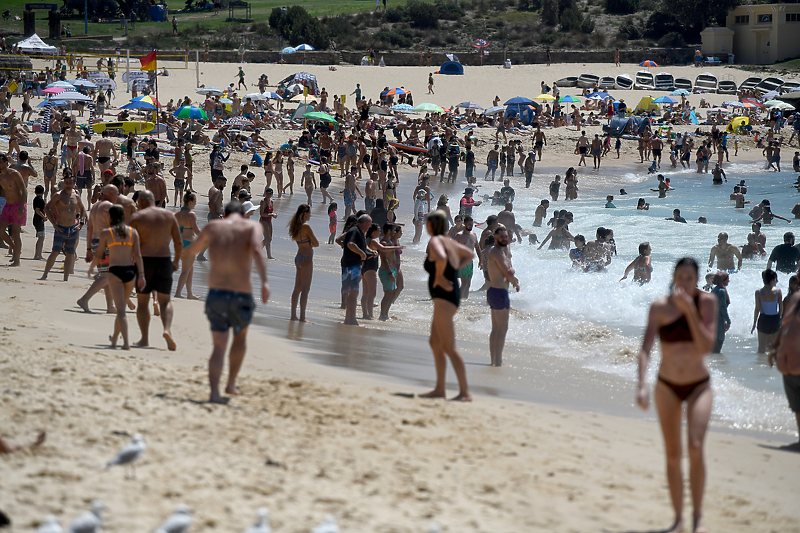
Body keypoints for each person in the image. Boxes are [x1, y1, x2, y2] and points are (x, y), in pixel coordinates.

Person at [636, 258, 716, 533]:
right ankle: (679, 519)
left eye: (689, 278)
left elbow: (706, 346)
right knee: (673, 454)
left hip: (698, 386)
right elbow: (645, 348)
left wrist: (690, 312)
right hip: (666, 385)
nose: (684, 282)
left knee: (694, 446)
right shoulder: (659, 306)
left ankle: (698, 517)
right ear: (673, 277)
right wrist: (641, 384)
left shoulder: (707, 303)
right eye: (680, 277)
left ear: (697, 280)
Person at [184, 201, 270, 404]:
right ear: (243, 215)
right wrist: (265, 282)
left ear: (224, 213)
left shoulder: (213, 227)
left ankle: (214, 393)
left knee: (219, 346)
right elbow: (257, 252)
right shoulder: (251, 227)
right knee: (239, 339)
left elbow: (193, 249)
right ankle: (230, 383)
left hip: (217, 294)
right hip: (241, 294)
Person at [420, 210, 474, 402]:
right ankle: (440, 388)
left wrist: (439, 277)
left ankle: (465, 392)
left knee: (450, 347)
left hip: (444, 298)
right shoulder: (450, 241)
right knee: (435, 343)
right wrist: (456, 268)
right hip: (448, 298)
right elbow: (470, 254)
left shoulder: (436, 241)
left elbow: (441, 259)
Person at [87, 205, 145, 350]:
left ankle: (125, 343)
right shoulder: (133, 232)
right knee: (121, 309)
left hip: (115, 272)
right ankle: (114, 340)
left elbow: (100, 255)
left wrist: (91, 268)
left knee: (121, 311)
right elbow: (137, 255)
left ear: (110, 217)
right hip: (130, 272)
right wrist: (142, 275)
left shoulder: (107, 233)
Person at [129, 191, 181, 351]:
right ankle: (167, 330)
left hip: (145, 261)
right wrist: (176, 261)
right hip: (164, 259)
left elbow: (129, 243)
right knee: (165, 301)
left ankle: (145, 339)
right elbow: (178, 242)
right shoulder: (169, 216)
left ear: (143, 201)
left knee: (143, 302)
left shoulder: (137, 218)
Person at [768, 290, 800, 449]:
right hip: (789, 364)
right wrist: (774, 347)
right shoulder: (795, 297)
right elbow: (786, 324)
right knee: (797, 406)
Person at [486, 225, 520, 367]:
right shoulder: (497, 253)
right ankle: (498, 361)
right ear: (496, 238)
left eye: (506, 237)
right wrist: (514, 281)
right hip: (499, 292)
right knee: (502, 328)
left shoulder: (499, 252)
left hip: (496, 291)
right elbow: (506, 271)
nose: (505, 239)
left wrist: (511, 275)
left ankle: (495, 360)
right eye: (502, 237)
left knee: (496, 328)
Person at [339, 214, 373, 326]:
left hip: (351, 264)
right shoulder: (355, 231)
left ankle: (348, 319)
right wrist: (362, 253)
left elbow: (359, 246)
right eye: (369, 224)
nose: (370, 227)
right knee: (354, 293)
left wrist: (369, 252)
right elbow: (350, 244)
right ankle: (352, 320)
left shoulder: (359, 232)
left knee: (351, 293)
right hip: (351, 265)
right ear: (364, 223)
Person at [288, 204, 318, 322]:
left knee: (297, 288)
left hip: (298, 256)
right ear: (305, 213)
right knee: (305, 289)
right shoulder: (306, 226)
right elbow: (316, 243)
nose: (310, 215)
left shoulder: (295, 226)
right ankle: (302, 317)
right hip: (306, 258)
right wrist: (310, 243)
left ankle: (293, 315)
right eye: (309, 213)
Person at [0, 155, 27, 266]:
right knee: (1, 231)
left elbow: (24, 190)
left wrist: (22, 207)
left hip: (18, 206)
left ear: (6, 163)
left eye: (0, 162)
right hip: (8, 205)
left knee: (16, 234)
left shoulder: (14, 174)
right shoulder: (0, 177)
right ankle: (15, 249)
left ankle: (17, 260)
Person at [174, 192, 201, 299]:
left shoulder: (177, 214)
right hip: (189, 244)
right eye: (195, 202)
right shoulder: (191, 214)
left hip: (179, 244)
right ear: (190, 202)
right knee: (185, 270)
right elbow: (197, 230)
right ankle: (177, 293)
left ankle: (190, 294)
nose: (195, 204)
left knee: (190, 268)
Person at [752, 269, 783, 354]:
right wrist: (778, 319)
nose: (777, 281)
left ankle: (760, 365)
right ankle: (773, 365)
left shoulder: (758, 292)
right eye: (776, 279)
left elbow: (757, 308)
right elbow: (781, 308)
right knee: (776, 348)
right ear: (772, 281)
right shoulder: (778, 291)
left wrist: (754, 323)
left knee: (761, 349)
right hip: (775, 319)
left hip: (764, 319)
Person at [453, 215, 483, 300]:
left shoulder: (474, 235)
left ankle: (464, 302)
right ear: (465, 224)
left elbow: (477, 248)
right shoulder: (459, 235)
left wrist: (481, 260)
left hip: (470, 262)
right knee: (465, 282)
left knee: (468, 284)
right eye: (469, 224)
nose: (471, 226)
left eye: (472, 224)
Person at [710, 271, 731, 354]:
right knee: (717, 349)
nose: (729, 281)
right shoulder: (721, 291)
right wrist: (728, 321)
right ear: (723, 280)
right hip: (719, 321)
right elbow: (722, 308)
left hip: (713, 320)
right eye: (727, 279)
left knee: (714, 349)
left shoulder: (714, 290)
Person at [258, 188, 277, 259]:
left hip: (269, 221)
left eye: (270, 194)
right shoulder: (263, 201)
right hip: (263, 221)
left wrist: (273, 215)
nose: (268, 195)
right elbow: (262, 214)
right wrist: (272, 214)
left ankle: (269, 255)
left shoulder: (271, 201)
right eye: (267, 193)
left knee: (270, 239)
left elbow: (271, 212)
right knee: (267, 238)